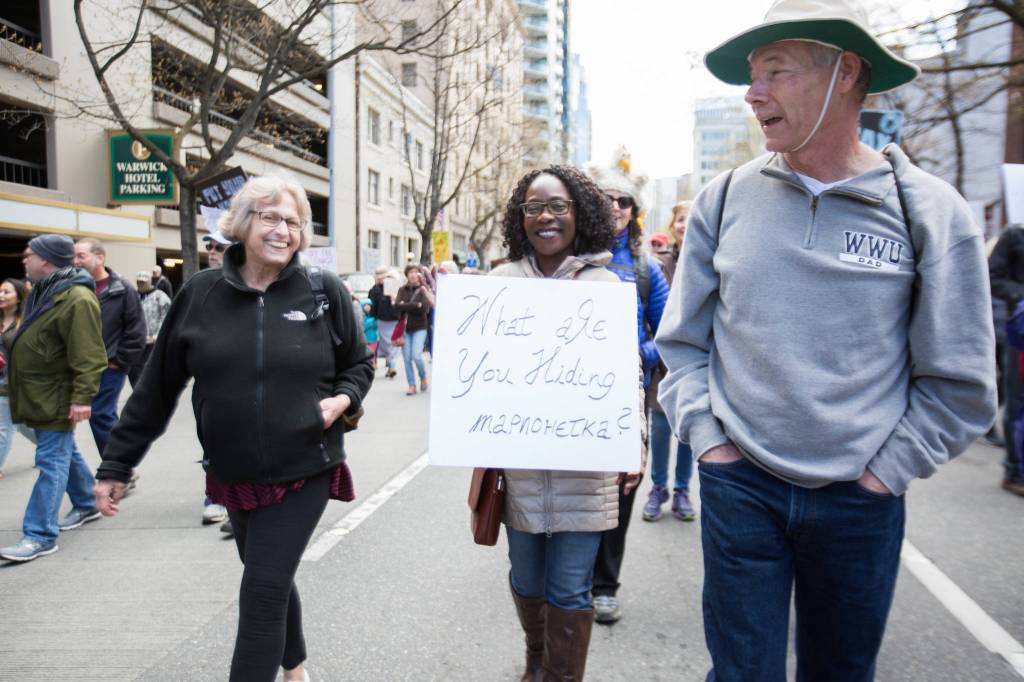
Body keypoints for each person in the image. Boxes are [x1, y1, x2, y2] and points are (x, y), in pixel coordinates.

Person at [657, 1, 998, 679]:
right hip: (740, 488)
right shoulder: (723, 199)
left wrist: (885, 473)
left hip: (860, 502)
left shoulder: (931, 211)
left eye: (775, 71)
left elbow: (959, 380)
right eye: (752, 76)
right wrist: (712, 446)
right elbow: (684, 346)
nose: (753, 94)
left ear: (845, 72)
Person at [94, 174, 374, 682]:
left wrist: (343, 399)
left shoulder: (323, 291)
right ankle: (295, 666)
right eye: (270, 217)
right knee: (269, 576)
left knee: (263, 587)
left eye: (293, 222)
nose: (283, 230)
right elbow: (156, 388)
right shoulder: (200, 294)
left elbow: (358, 364)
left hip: (305, 466)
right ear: (243, 223)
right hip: (232, 472)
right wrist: (117, 464)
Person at [492, 164, 644, 682]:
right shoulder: (499, 284)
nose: (546, 217)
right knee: (527, 580)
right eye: (534, 207)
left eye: (558, 206)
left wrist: (634, 444)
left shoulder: (608, 285)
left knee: (571, 589)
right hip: (521, 470)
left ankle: (561, 677)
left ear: (581, 214)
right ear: (521, 218)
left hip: (588, 472)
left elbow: (628, 374)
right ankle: (537, 659)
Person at [586, 147, 670, 624]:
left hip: (625, 398)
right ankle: (569, 577)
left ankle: (605, 585)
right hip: (571, 394)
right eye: (606, 198)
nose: (615, 206)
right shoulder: (568, 258)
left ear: (634, 211)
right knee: (573, 489)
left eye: (624, 201)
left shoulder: (645, 268)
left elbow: (672, 334)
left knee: (619, 492)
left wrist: (640, 354)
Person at [0, 235, 107, 562]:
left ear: (45, 260)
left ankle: (40, 534)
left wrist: (82, 397)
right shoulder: (46, 291)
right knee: (62, 453)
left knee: (51, 461)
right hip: (40, 395)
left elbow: (90, 355)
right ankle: (87, 503)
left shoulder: (76, 298)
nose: (24, 260)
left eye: (28, 255)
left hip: (55, 397)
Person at [643, 201, 695, 523]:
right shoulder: (658, 263)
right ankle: (658, 488)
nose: (685, 224)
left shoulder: (713, 257)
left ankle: (682, 490)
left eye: (691, 218)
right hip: (663, 362)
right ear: (672, 225)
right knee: (661, 428)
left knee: (689, 428)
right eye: (680, 219)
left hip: (696, 360)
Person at [73, 238, 146, 458]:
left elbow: (136, 331)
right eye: (73, 256)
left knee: (101, 414)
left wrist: (118, 362)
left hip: (109, 366)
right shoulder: (72, 288)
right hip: (78, 367)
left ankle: (117, 465)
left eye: (81, 256)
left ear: (100, 257)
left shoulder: (122, 289)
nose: (75, 261)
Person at [988, 224, 1024, 496]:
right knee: (1018, 400)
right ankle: (1015, 471)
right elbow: (992, 277)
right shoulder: (1015, 235)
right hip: (1018, 330)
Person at [0, 278, 31, 478]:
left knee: (3, 425)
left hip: (12, 381)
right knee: (20, 424)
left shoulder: (25, 321)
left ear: (19, 297)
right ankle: (49, 447)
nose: (1, 295)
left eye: (6, 292)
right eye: (0, 291)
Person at [394, 263, 433, 396]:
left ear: (419, 275)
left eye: (415, 272)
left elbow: (424, 308)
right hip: (405, 329)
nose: (413, 275)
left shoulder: (423, 289)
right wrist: (415, 305)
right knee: (407, 358)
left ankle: (423, 377)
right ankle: (411, 385)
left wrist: (406, 305)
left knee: (416, 356)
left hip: (420, 327)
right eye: (410, 272)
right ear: (407, 275)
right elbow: (397, 306)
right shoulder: (402, 290)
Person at [128, 271, 171, 388]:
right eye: (138, 282)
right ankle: (138, 392)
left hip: (153, 341)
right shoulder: (133, 296)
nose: (140, 284)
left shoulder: (160, 297)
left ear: (149, 282)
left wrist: (158, 335)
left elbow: (167, 317)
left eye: (143, 282)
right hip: (137, 340)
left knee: (149, 369)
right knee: (133, 370)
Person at [368, 267, 400, 379]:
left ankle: (392, 366)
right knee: (386, 344)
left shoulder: (394, 287)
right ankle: (391, 365)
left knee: (391, 344)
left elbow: (400, 303)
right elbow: (373, 305)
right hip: (382, 320)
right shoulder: (375, 290)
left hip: (393, 319)